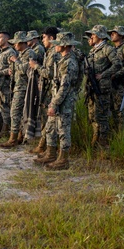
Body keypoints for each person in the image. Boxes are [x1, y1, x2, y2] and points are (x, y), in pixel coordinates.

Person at [36, 32, 80, 170]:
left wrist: (54, 104)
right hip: (57, 98)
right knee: (50, 127)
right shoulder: (62, 60)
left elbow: (65, 87)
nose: (55, 47)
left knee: (63, 129)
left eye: (58, 44)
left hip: (64, 101)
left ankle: (63, 159)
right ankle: (50, 153)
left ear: (65, 45)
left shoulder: (69, 63)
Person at [84, 25, 122, 147]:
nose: (92, 37)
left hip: (103, 88)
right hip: (91, 88)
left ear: (100, 35)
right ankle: (95, 137)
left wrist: (104, 75)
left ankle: (103, 141)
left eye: (93, 34)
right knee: (92, 115)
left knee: (102, 115)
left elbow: (117, 64)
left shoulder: (108, 49)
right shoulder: (93, 50)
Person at [1, 31, 31, 148]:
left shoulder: (29, 53)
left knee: (15, 112)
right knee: (17, 113)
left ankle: (13, 139)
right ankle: (18, 136)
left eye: (16, 43)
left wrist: (15, 61)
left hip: (23, 87)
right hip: (18, 86)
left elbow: (24, 69)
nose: (14, 46)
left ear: (21, 42)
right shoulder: (21, 54)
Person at [108, 26, 124, 131]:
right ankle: (114, 131)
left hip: (120, 82)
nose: (112, 35)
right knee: (111, 109)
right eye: (112, 33)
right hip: (111, 82)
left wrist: (116, 74)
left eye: (114, 33)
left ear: (121, 36)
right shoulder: (113, 49)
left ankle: (120, 133)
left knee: (119, 109)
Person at [0, 31, 15, 136]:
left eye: (0, 38)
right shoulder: (0, 52)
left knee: (4, 106)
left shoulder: (10, 52)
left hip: (5, 85)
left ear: (6, 39)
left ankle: (6, 130)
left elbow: (11, 69)